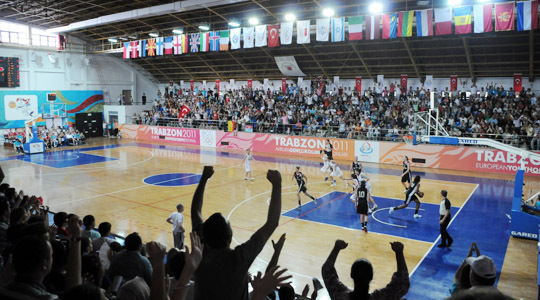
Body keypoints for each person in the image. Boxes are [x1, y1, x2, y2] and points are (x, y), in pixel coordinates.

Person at [191, 166, 282, 300]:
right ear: (229, 238)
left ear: (204, 235)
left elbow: (195, 212)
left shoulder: (199, 253)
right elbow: (272, 223)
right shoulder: (239, 259)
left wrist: (204, 179)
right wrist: (277, 185)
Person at [322, 239, 410, 300]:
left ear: (351, 275)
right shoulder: (381, 298)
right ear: (371, 277)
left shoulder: (340, 296)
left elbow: (327, 271)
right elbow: (402, 283)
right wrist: (399, 253)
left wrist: (336, 248)